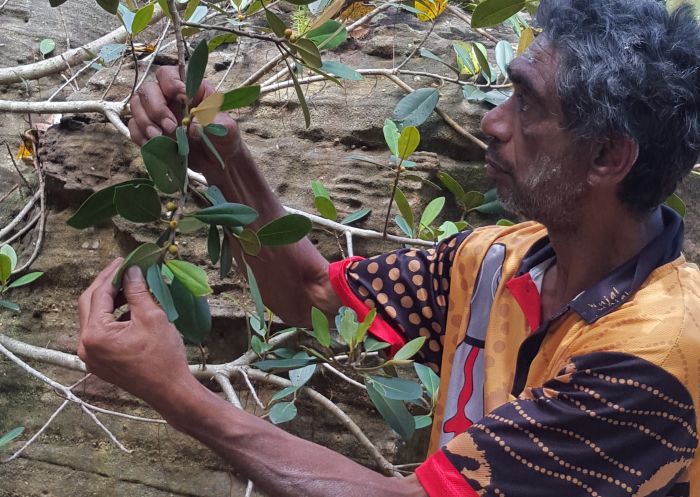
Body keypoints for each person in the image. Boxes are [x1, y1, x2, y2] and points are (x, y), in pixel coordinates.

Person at [77, 0, 700, 495]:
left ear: (607, 156)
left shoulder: (655, 356)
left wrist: (179, 395)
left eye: (529, 103)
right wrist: (224, 158)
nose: (493, 120)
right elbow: (314, 296)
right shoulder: (496, 261)